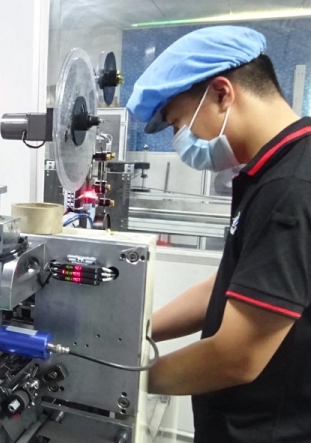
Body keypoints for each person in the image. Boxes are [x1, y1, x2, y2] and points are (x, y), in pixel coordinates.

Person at [126, 26, 311, 442]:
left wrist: (126, 381)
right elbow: (231, 284)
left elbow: (236, 357)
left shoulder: (291, 187)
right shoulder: (273, 169)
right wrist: (137, 329)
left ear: (222, 94)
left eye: (179, 123)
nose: (183, 141)